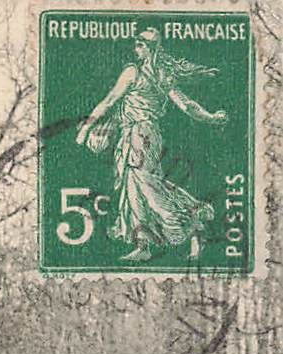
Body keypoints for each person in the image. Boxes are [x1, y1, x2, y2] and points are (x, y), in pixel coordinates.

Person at [75, 27, 228, 262]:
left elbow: (109, 100)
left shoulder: (132, 72)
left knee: (147, 187)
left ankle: (191, 221)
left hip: (140, 134)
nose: (136, 48)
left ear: (149, 48)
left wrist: (86, 128)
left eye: (140, 44)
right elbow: (187, 105)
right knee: (135, 188)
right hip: (141, 134)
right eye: (136, 43)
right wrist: (210, 117)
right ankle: (144, 244)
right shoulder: (162, 75)